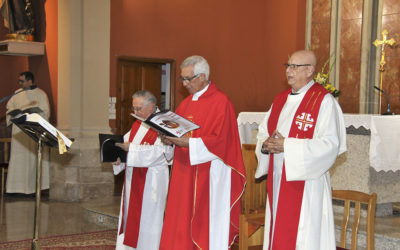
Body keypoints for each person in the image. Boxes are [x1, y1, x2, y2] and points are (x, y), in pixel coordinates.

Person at [255, 50, 346, 250]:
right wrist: (265, 145)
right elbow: (263, 131)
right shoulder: (280, 100)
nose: (289, 71)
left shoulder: (323, 101)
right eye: (287, 66)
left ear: (310, 70)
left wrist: (286, 145)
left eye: (295, 67)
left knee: (303, 235)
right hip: (279, 179)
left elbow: (331, 145)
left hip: (306, 183)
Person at [159, 55, 246, 250]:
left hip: (209, 173)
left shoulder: (221, 102)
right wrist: (169, 141)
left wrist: (190, 143)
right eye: (182, 79)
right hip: (184, 171)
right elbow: (178, 133)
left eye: (188, 78)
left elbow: (223, 141)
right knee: (180, 218)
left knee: (204, 222)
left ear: (203, 76)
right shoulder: (185, 104)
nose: (185, 83)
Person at [112, 90, 173, 250]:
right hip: (133, 182)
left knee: (150, 220)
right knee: (131, 218)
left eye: (139, 108)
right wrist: (117, 156)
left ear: (152, 106)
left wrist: (130, 150)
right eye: (134, 108)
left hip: (153, 181)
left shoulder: (165, 123)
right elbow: (124, 143)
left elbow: (160, 154)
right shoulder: (139, 123)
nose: (135, 112)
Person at [6, 71, 50, 194]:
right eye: (19, 81)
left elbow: (46, 112)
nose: (20, 83)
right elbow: (9, 108)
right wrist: (14, 113)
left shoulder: (41, 94)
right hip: (19, 132)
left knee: (32, 160)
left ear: (30, 81)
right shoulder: (16, 94)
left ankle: (33, 189)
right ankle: (16, 189)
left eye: (22, 81)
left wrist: (34, 113)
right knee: (19, 160)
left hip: (32, 131)